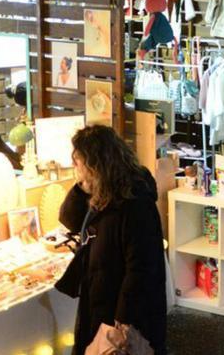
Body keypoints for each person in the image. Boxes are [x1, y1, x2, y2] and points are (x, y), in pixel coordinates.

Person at [56, 125, 166, 355]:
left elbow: (141, 267)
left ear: (95, 164)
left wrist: (123, 318)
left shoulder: (135, 202)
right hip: (101, 298)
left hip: (121, 310)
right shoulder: (101, 192)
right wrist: (81, 185)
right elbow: (69, 220)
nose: (75, 167)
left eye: (78, 162)